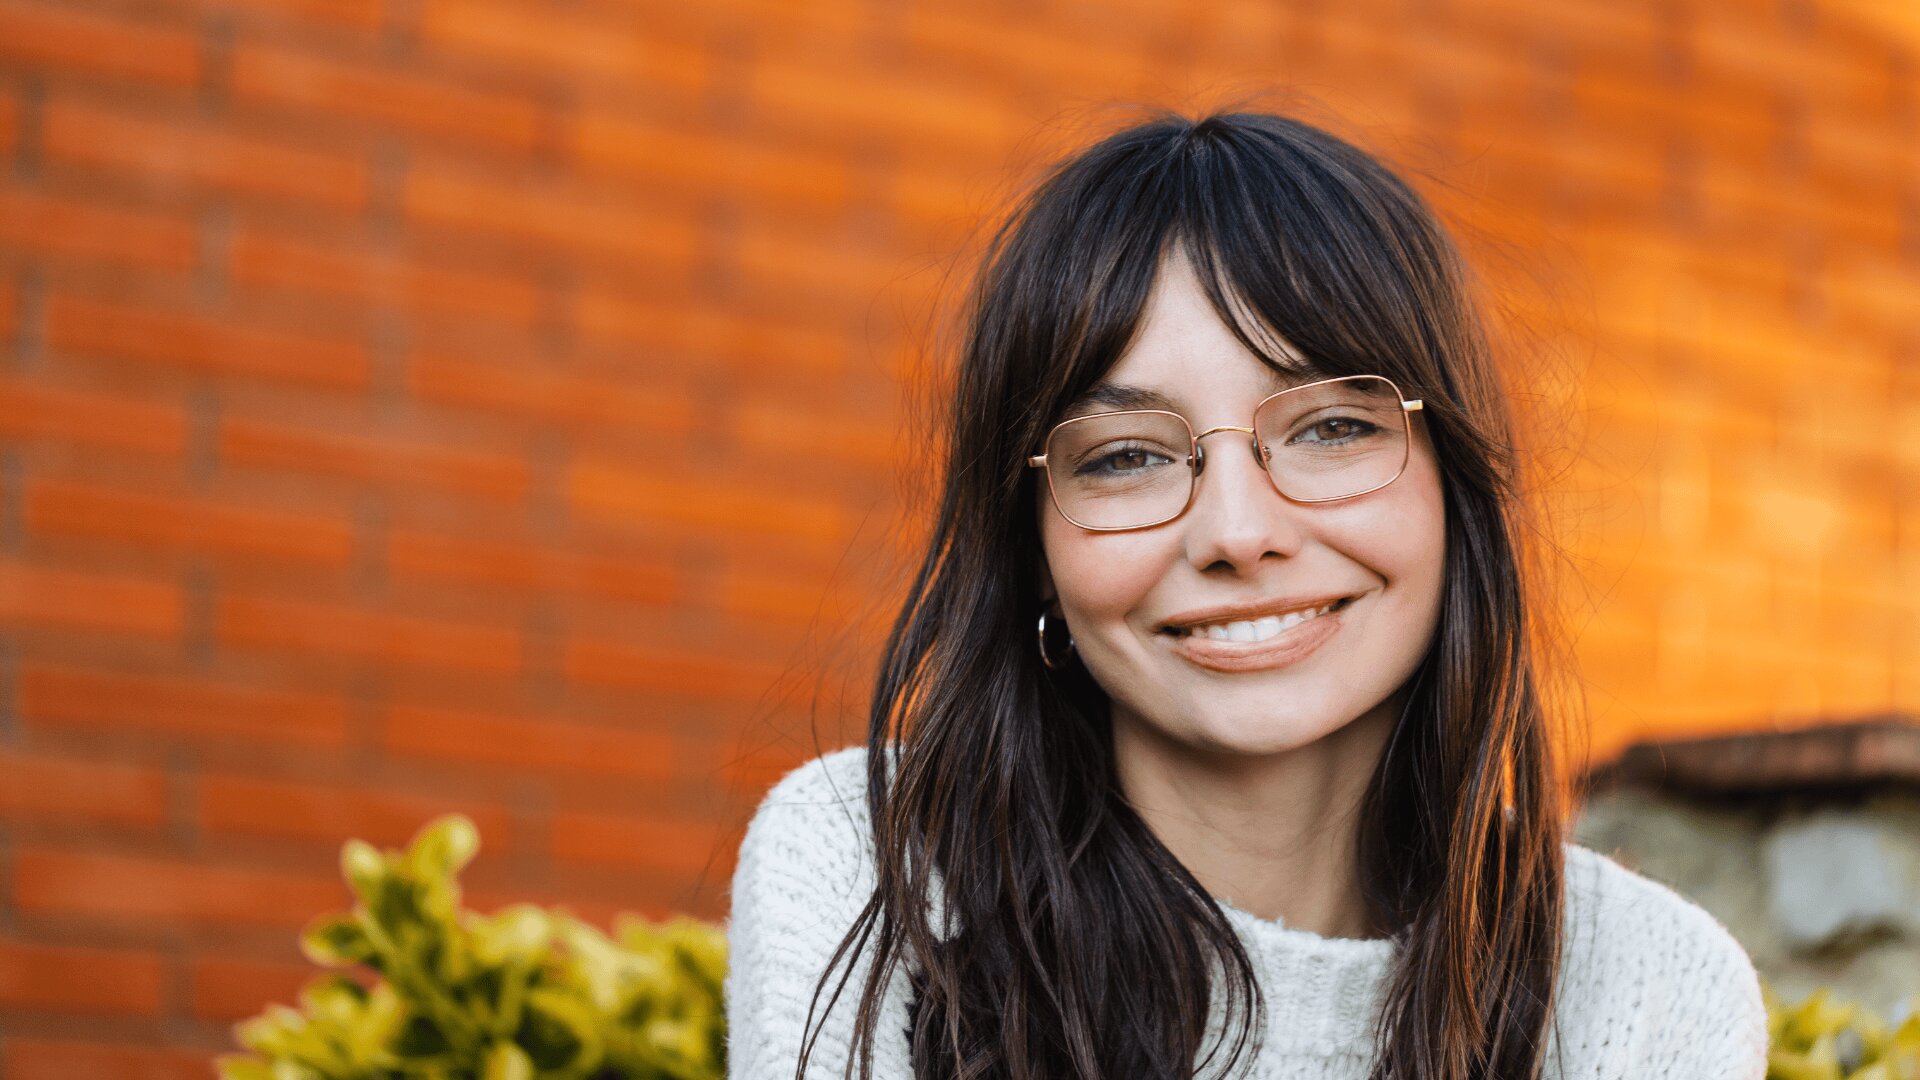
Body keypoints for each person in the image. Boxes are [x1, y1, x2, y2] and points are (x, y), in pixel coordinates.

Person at [723, 108, 1769, 1080]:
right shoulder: (877, 866)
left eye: (1329, 429)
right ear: (1034, 547)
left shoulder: (1647, 985)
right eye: (1127, 456)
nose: (1237, 532)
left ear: (1455, 479)